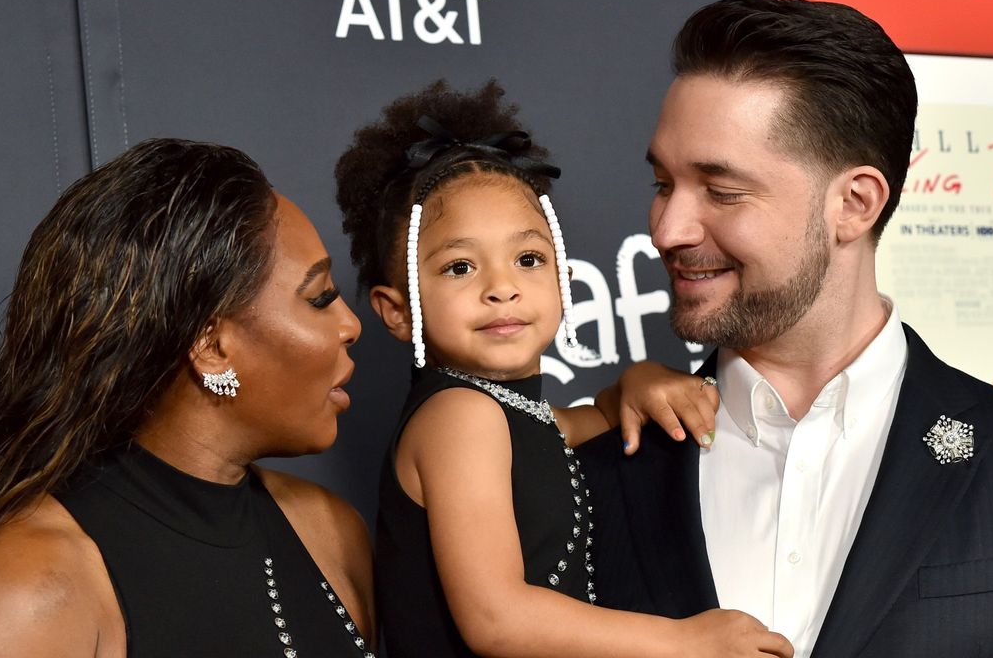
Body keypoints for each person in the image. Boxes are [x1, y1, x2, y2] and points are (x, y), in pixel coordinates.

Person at [584, 0, 993, 658]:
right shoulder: (596, 473)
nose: (667, 230)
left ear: (855, 204)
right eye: (663, 183)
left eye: (722, 191)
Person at [334, 80, 792, 658]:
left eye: (528, 260)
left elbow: (580, 422)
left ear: (562, 281)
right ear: (396, 311)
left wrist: (635, 381)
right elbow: (497, 617)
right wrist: (682, 640)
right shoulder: (459, 417)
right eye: (459, 267)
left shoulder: (513, 414)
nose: (502, 288)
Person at [0, 139, 375, 657]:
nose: (350, 324)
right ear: (211, 347)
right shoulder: (18, 592)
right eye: (319, 298)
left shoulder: (330, 531)